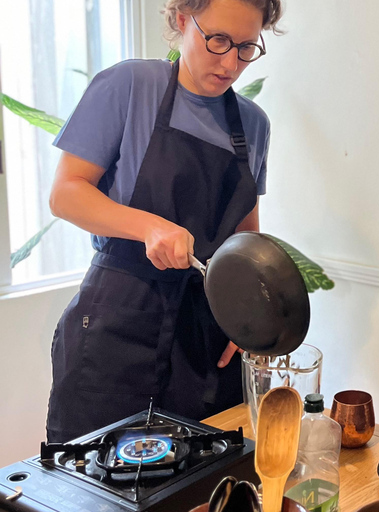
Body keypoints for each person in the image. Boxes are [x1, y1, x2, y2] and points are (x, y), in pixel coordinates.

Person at [45, 0, 282, 443]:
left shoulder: (254, 126)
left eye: (247, 47)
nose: (231, 62)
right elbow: (66, 193)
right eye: (218, 40)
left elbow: (243, 238)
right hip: (116, 323)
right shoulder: (131, 86)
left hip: (205, 335)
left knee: (204, 482)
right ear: (180, 20)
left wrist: (249, 319)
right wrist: (149, 227)